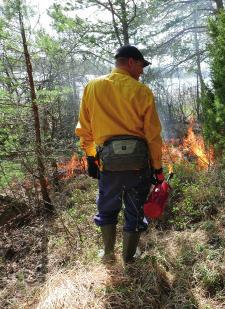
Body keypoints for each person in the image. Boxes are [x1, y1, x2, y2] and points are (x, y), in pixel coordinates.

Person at [75, 45, 164, 264]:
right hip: (138, 167)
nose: (142, 71)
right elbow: (152, 135)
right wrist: (158, 168)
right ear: (131, 62)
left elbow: (84, 129)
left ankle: (107, 254)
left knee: (107, 206)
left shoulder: (92, 87)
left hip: (108, 165)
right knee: (134, 210)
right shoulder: (142, 91)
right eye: (141, 65)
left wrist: (90, 156)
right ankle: (129, 256)